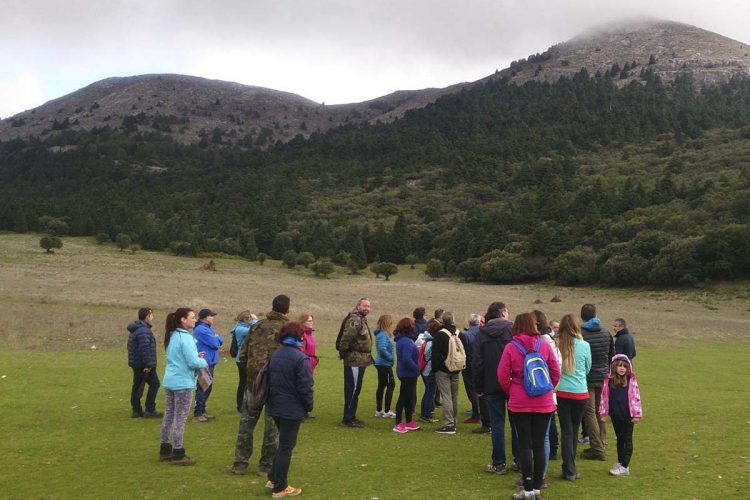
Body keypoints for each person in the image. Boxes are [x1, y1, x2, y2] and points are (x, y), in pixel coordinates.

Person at [498, 312, 560, 499]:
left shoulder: (511, 347)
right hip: (544, 401)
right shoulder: (545, 344)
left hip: (519, 402)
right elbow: (555, 371)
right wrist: (548, 387)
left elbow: (502, 375)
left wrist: (513, 390)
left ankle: (527, 487)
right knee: (539, 444)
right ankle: (538, 486)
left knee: (525, 445)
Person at [232, 295, 291, 476]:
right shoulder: (287, 329)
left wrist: (251, 373)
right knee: (271, 427)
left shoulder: (256, 326)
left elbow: (243, 354)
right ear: (287, 309)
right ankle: (266, 466)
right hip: (276, 385)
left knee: (246, 423)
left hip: (253, 383)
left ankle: (240, 463)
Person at [266, 322, 314, 497]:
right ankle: (280, 487)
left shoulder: (276, 354)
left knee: (283, 444)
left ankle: (273, 479)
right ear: (298, 337)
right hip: (291, 409)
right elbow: (305, 387)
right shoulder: (300, 358)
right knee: (286, 446)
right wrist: (308, 405)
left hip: (276, 406)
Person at [159, 308, 208, 465]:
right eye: (192, 318)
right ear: (183, 320)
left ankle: (165, 449)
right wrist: (203, 361)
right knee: (180, 417)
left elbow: (179, 357)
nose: (195, 320)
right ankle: (178, 452)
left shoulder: (173, 336)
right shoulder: (185, 338)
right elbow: (193, 362)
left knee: (169, 414)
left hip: (170, 381)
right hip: (182, 383)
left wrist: (195, 356)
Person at [474, 301, 516, 474]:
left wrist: (479, 386)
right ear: (503, 313)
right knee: (516, 424)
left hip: (491, 384)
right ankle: (520, 461)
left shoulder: (481, 333)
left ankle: (499, 463)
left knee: (497, 425)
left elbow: (477, 362)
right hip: (513, 383)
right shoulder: (512, 329)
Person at [554, 314, 592, 481]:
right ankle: (570, 467)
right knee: (574, 430)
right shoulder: (584, 345)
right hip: (580, 392)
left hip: (562, 392)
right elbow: (587, 368)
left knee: (567, 431)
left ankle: (568, 467)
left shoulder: (556, 344)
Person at [580, 304, 615, 461]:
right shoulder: (606, 332)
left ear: (582, 316)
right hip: (603, 377)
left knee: (589, 412)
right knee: (600, 410)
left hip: (587, 378)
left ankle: (597, 448)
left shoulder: (581, 334)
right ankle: (602, 440)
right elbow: (611, 356)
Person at [599, 354, 642, 477]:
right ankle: (620, 462)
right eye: (619, 366)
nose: (622, 368)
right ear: (614, 367)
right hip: (615, 415)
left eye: (624, 366)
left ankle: (625, 466)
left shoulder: (631, 381)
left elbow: (636, 397)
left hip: (628, 416)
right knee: (619, 439)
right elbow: (604, 397)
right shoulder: (609, 381)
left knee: (627, 440)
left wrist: (637, 415)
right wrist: (604, 413)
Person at [533, 310, 562, 475]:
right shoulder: (550, 341)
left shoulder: (542, 341)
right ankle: (551, 452)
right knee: (546, 427)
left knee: (542, 432)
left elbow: (556, 367)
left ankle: (539, 473)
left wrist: (550, 385)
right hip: (548, 390)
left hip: (542, 390)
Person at [338, 297, 373, 428]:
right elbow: (346, 338)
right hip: (354, 360)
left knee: (355, 389)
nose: (367, 309)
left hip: (360, 360)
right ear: (358, 306)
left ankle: (351, 416)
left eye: (368, 306)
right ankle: (348, 419)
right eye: (364, 306)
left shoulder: (361, 319)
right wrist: (344, 353)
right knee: (352, 390)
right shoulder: (355, 320)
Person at [431, 311, 466, 434]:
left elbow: (434, 354)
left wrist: (435, 369)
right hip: (456, 368)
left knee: (446, 396)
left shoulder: (440, 335)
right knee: (454, 395)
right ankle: (454, 420)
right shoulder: (460, 334)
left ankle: (449, 424)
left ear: (442, 321)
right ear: (453, 320)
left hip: (442, 369)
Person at [127, 307, 162, 418]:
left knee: (137, 385)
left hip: (136, 363)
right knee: (155, 384)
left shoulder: (138, 329)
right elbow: (145, 348)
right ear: (148, 316)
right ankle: (150, 409)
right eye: (152, 315)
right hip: (143, 364)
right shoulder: (144, 331)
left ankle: (136, 410)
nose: (153, 317)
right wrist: (148, 365)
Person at [193, 308, 222, 422]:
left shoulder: (207, 328)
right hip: (204, 363)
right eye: (211, 316)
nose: (213, 318)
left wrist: (217, 337)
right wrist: (217, 337)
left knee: (207, 387)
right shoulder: (202, 329)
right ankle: (198, 413)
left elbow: (219, 339)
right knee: (203, 387)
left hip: (209, 362)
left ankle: (202, 410)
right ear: (206, 317)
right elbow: (215, 343)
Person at [392, 317, 421, 433]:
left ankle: (409, 421)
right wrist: (417, 369)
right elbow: (407, 359)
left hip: (408, 373)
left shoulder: (403, 340)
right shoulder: (406, 342)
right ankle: (398, 423)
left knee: (409, 398)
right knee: (404, 397)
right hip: (408, 374)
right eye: (412, 325)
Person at [232, 310, 258, 412]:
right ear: (245, 319)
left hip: (246, 358)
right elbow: (255, 328)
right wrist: (255, 319)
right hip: (241, 359)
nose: (251, 320)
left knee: (247, 382)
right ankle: (240, 405)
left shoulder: (243, 326)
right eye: (249, 319)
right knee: (243, 383)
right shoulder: (240, 329)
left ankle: (245, 403)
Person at [461, 314, 483, 425]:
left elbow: (463, 352)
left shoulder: (467, 335)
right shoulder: (484, 332)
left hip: (469, 365)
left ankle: (476, 414)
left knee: (471, 390)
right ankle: (482, 412)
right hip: (483, 365)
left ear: (469, 323)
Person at [418, 318, 441, 423]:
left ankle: (426, 412)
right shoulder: (432, 343)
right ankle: (425, 414)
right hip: (430, 370)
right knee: (429, 393)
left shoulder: (427, 340)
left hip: (426, 370)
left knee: (429, 392)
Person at [373, 314, 396, 418]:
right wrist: (390, 358)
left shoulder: (383, 334)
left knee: (382, 385)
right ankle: (386, 411)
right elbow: (382, 349)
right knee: (391, 385)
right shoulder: (383, 334)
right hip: (384, 364)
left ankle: (379, 410)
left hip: (382, 363)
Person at [298, 312, 318, 420]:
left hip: (310, 363)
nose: (312, 323)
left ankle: (304, 411)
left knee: (308, 387)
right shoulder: (302, 334)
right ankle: (301, 412)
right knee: (304, 387)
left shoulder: (309, 334)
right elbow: (301, 351)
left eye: (312, 320)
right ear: (303, 322)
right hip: (304, 364)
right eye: (309, 321)